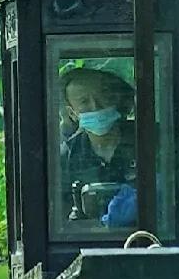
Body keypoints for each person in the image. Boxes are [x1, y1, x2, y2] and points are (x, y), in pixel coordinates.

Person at [56, 64, 138, 227]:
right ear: (72, 113)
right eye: (84, 102)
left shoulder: (149, 141)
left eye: (102, 96)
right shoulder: (66, 157)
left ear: (115, 98)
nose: (95, 107)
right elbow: (60, 223)